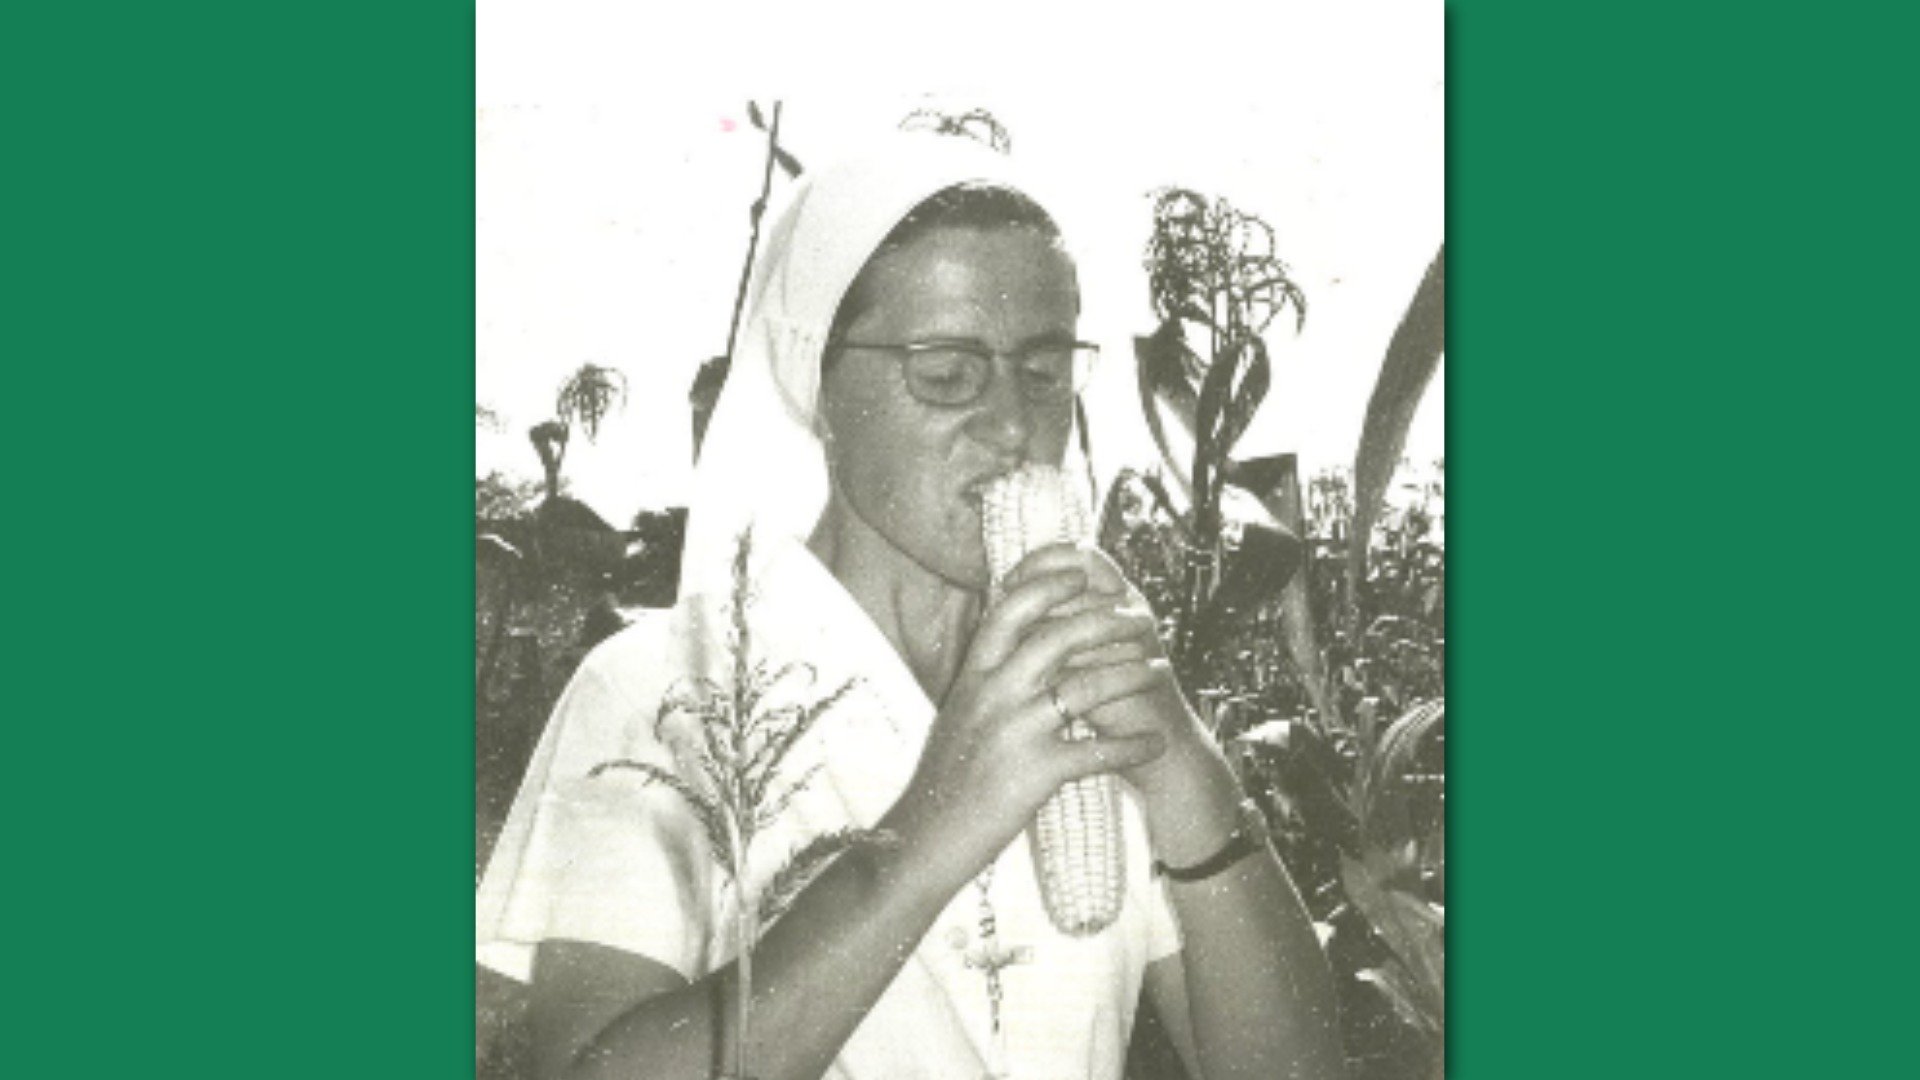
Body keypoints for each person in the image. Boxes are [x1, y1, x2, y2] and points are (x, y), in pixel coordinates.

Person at [476, 131, 1345, 1080]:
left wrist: (1186, 768)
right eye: (946, 375)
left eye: (1045, 372)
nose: (1014, 426)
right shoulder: (656, 693)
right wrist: (929, 835)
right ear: (822, 383)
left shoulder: (1094, 691)